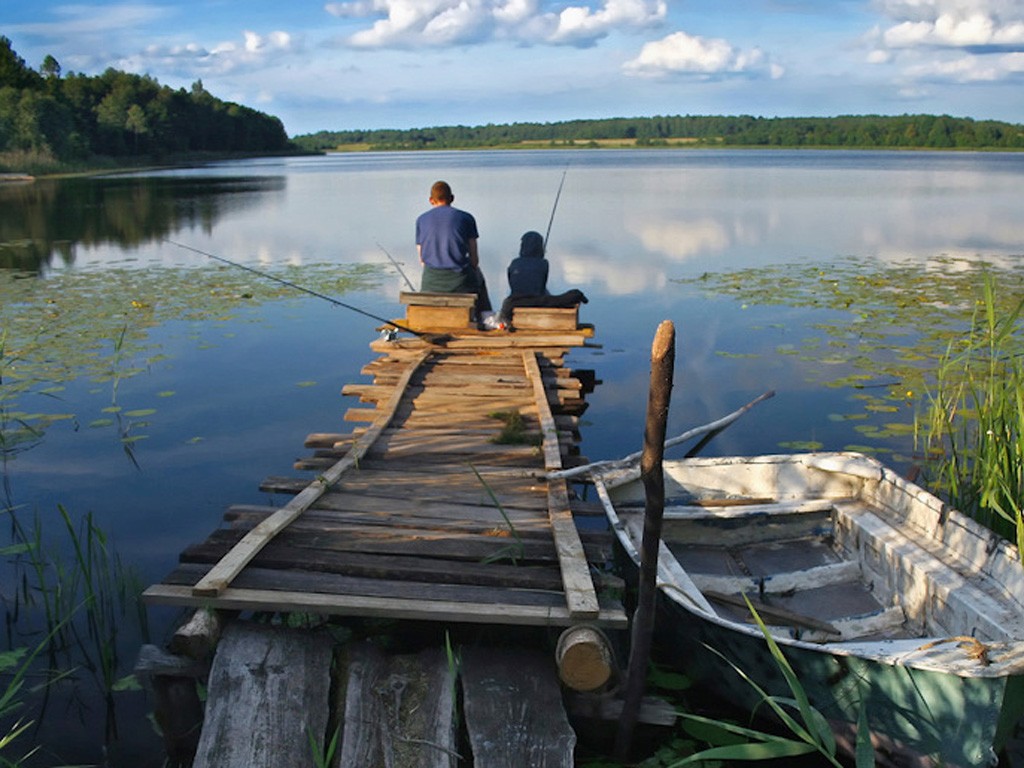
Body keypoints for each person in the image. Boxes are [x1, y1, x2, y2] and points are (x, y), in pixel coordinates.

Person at [415, 180, 493, 320]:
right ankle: (485, 318)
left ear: (431, 200)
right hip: (460, 282)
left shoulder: (421, 220)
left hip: (430, 283)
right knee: (479, 277)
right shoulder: (466, 218)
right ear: (452, 198)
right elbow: (474, 259)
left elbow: (421, 259)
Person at [498, 230, 587, 327]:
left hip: (514, 301)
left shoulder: (514, 263)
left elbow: (512, 283)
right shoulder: (544, 263)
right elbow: (541, 285)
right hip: (537, 300)